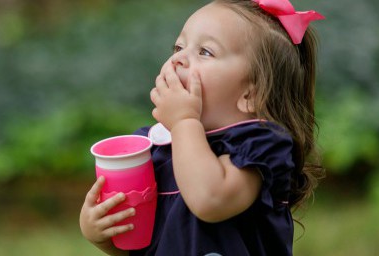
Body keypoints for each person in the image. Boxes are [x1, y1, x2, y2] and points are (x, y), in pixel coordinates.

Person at [80, 0, 324, 255]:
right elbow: (144, 244)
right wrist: (103, 235)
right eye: (178, 47)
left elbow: (210, 200)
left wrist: (185, 121)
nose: (179, 59)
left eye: (205, 52)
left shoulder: (260, 146)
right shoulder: (155, 147)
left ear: (252, 94)